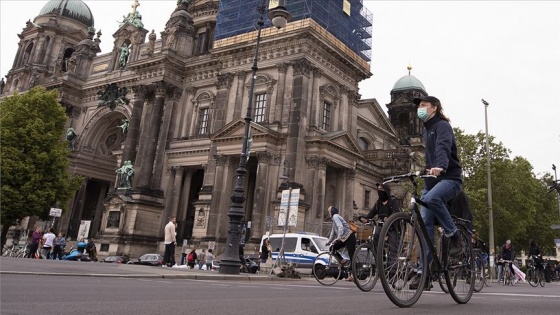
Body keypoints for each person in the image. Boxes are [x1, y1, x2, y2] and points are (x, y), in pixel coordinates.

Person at [408, 96, 464, 291]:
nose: (419, 109)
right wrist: (426, 169)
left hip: (450, 179)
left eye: (423, 106)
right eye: (418, 107)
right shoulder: (426, 129)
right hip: (431, 182)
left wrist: (440, 165)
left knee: (432, 199)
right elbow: (429, 157)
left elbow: (443, 146)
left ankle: (453, 234)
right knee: (425, 228)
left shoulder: (442, 126)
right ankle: (423, 273)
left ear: (434, 108)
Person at [326, 206, 356, 281]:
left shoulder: (336, 216)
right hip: (343, 239)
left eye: (329, 211)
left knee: (352, 256)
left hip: (349, 236)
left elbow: (340, 227)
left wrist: (338, 237)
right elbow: (333, 233)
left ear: (332, 212)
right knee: (332, 248)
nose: (329, 213)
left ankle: (353, 275)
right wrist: (328, 242)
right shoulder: (334, 220)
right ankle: (342, 260)